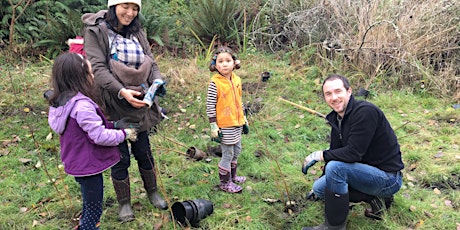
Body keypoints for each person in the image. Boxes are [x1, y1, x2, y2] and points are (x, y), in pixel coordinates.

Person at [81, 0, 168, 222]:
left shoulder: (137, 31)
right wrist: (122, 92)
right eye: (125, 6)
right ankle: (124, 203)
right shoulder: (95, 31)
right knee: (119, 157)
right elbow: (98, 68)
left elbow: (151, 61)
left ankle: (152, 191)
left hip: (140, 100)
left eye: (135, 8)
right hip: (112, 102)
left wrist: (156, 82)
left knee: (143, 150)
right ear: (113, 6)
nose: (130, 13)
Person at [47, 52, 138, 229]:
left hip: (75, 163)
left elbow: (85, 128)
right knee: (95, 209)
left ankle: (83, 225)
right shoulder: (82, 106)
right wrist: (124, 134)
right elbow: (99, 136)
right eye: (90, 73)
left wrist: (113, 125)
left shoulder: (60, 103)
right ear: (79, 78)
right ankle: (88, 227)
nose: (93, 76)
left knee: (88, 202)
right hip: (87, 167)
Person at [301, 74, 404, 230]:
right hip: (365, 171)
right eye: (328, 94)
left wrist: (319, 155)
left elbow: (353, 154)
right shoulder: (336, 119)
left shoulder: (365, 112)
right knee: (320, 189)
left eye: (338, 91)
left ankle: (333, 227)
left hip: (388, 177)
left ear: (349, 91)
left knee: (336, 168)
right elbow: (336, 151)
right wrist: (326, 177)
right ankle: (377, 199)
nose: (334, 97)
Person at [206, 46, 249, 193]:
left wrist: (244, 118)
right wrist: (213, 124)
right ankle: (225, 183)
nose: (224, 64)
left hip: (237, 122)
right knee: (228, 153)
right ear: (215, 65)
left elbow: (239, 101)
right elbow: (210, 104)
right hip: (224, 125)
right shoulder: (215, 83)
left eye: (228, 60)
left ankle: (233, 176)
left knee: (237, 150)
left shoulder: (237, 80)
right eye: (220, 61)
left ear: (234, 63)